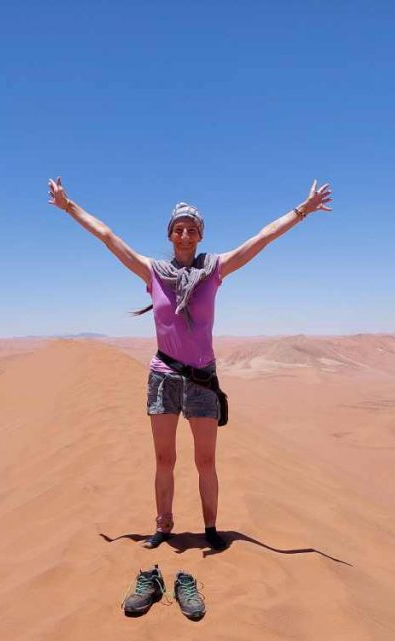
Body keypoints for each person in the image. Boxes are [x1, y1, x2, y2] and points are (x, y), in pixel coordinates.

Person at [47, 178, 332, 555]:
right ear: (170, 235)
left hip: (202, 380)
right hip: (164, 377)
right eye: (178, 229)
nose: (185, 235)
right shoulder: (152, 272)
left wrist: (302, 211)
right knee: (164, 459)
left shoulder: (214, 270)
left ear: (200, 236)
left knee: (206, 460)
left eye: (192, 230)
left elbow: (260, 240)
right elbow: (109, 237)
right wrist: (69, 207)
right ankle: (163, 526)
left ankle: (211, 528)